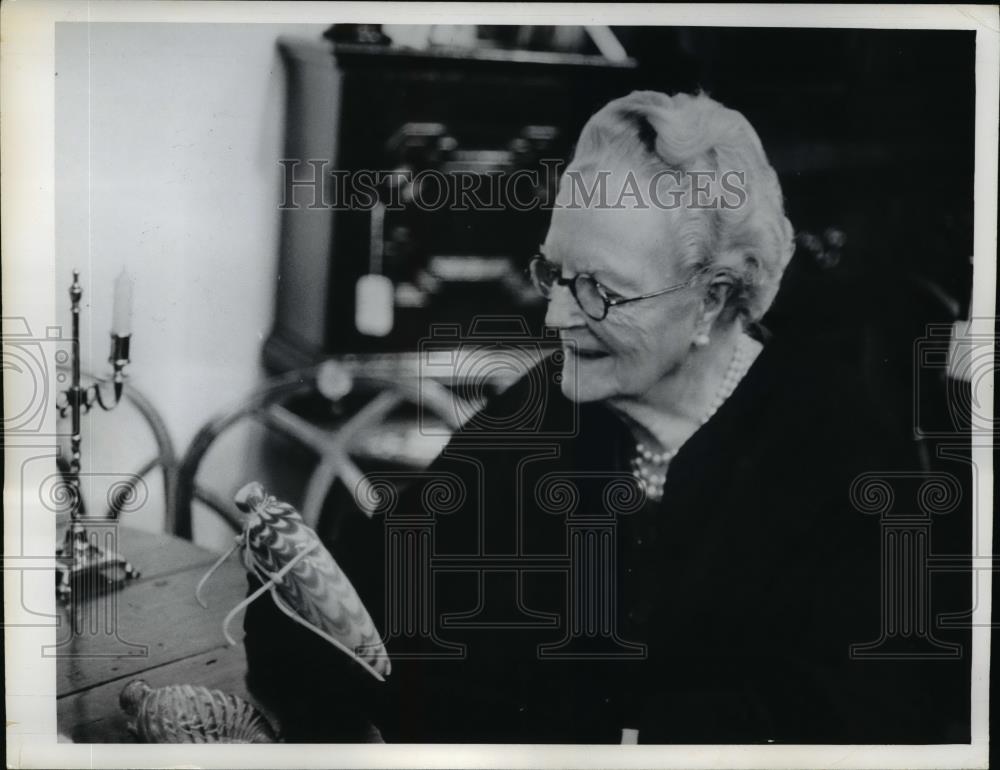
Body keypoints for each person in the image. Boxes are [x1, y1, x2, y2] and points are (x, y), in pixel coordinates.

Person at [242, 91, 969, 744]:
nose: (557, 315)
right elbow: (382, 582)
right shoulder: (550, 403)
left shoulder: (841, 448)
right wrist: (301, 589)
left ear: (712, 302)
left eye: (602, 292)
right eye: (555, 273)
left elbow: (866, 720)